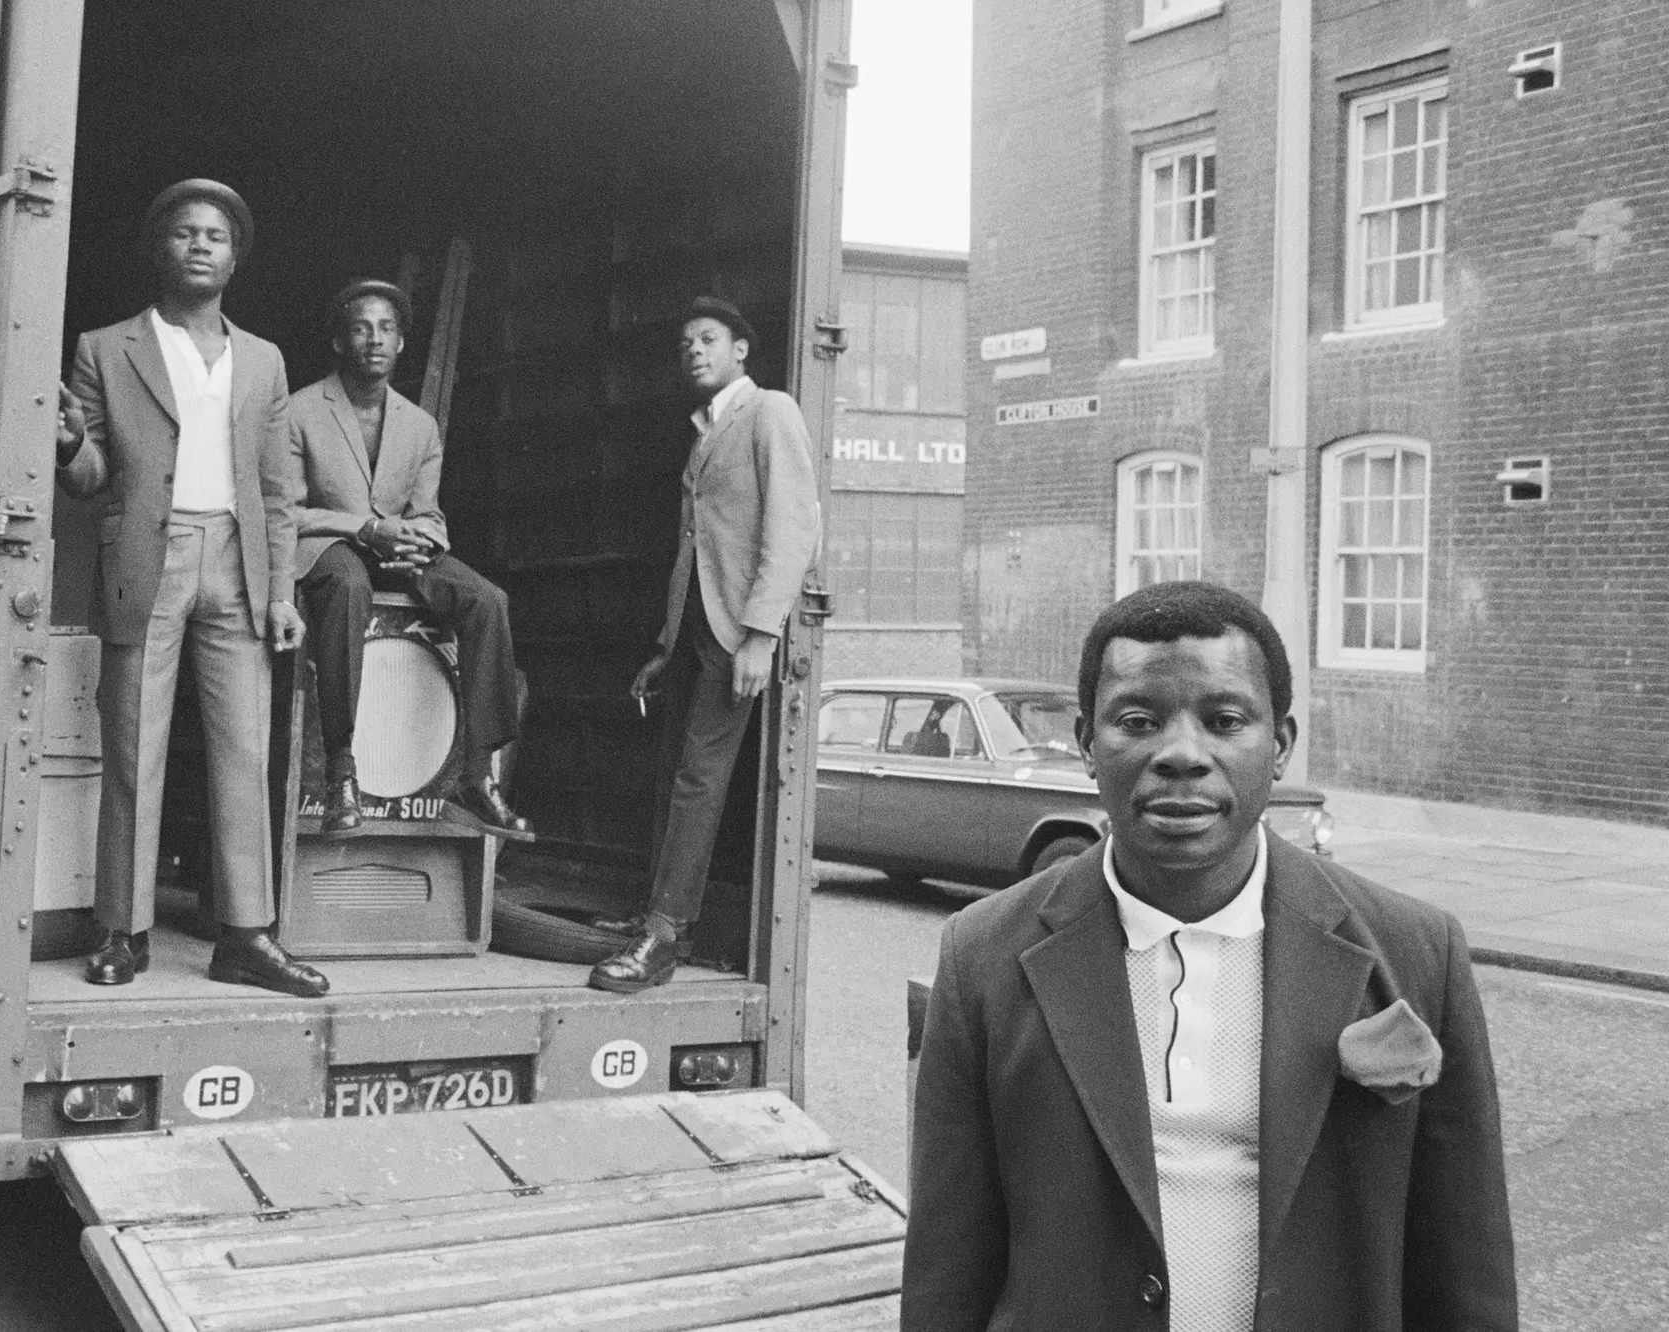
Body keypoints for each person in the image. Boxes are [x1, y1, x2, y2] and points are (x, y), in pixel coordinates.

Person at [902, 580, 1516, 1332]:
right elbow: (946, 1270)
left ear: (1281, 745)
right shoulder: (983, 957)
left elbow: (1466, 1274)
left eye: (1225, 720)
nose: (1182, 754)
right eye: (1137, 720)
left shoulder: (1418, 954)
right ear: (1088, 745)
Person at [55, 179, 327, 999]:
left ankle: (246, 935)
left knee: (245, 752)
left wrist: (282, 590)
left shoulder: (265, 360)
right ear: (160, 249)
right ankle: (120, 931)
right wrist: (71, 445)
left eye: (216, 235)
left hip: (238, 566)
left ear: (235, 257)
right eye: (183, 233)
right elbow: (95, 476)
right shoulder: (106, 348)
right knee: (134, 747)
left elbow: (278, 490)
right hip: (151, 556)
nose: (200, 245)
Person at [589, 296, 819, 993]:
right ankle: (655, 913)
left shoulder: (770, 411)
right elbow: (697, 548)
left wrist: (760, 634)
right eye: (686, 341)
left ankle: (663, 939)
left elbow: (795, 525)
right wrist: (666, 644)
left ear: (740, 349)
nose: (694, 349)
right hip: (696, 629)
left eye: (709, 338)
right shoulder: (706, 428)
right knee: (674, 776)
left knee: (699, 778)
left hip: (735, 632)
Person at [280, 279, 533, 841]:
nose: (375, 339)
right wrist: (368, 530)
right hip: (329, 548)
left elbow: (430, 513)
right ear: (340, 342)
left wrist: (423, 543)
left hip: (397, 550)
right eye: (361, 328)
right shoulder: (298, 410)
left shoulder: (419, 426)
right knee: (347, 583)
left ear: (401, 345)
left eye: (387, 329)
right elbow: (286, 512)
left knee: (488, 599)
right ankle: (341, 773)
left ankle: (476, 772)